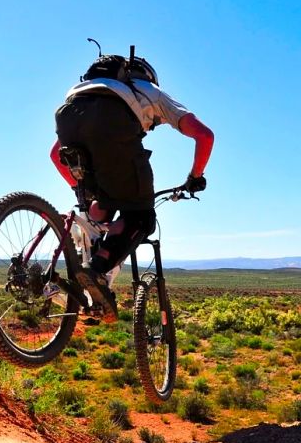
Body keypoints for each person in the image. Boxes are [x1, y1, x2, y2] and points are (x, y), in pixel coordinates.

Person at [50, 49, 214, 319]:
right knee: (140, 216)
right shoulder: (150, 92)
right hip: (112, 127)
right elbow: (205, 136)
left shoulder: (88, 89)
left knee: (101, 202)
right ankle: (97, 270)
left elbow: (56, 155)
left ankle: (72, 267)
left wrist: (81, 189)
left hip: (67, 115)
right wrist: (195, 177)